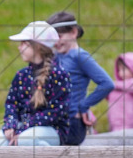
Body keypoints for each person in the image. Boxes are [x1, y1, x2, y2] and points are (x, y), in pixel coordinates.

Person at [0, 21, 72, 158]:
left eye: (23, 43)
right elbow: (11, 104)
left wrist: (22, 128)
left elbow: (55, 113)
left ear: (37, 46)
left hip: (51, 132)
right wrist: (10, 126)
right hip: (22, 130)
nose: (19, 47)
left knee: (25, 140)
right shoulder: (21, 75)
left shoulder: (59, 75)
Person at [46, 11, 114, 148]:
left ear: (74, 33)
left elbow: (107, 83)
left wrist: (83, 106)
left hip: (72, 123)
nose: (56, 42)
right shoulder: (55, 56)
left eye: (59, 36)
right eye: (52, 39)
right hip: (54, 118)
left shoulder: (79, 56)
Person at [107, 53, 133, 131]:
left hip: (131, 127)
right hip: (115, 126)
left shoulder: (119, 85)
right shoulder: (117, 88)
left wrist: (111, 84)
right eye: (118, 70)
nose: (120, 73)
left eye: (123, 69)